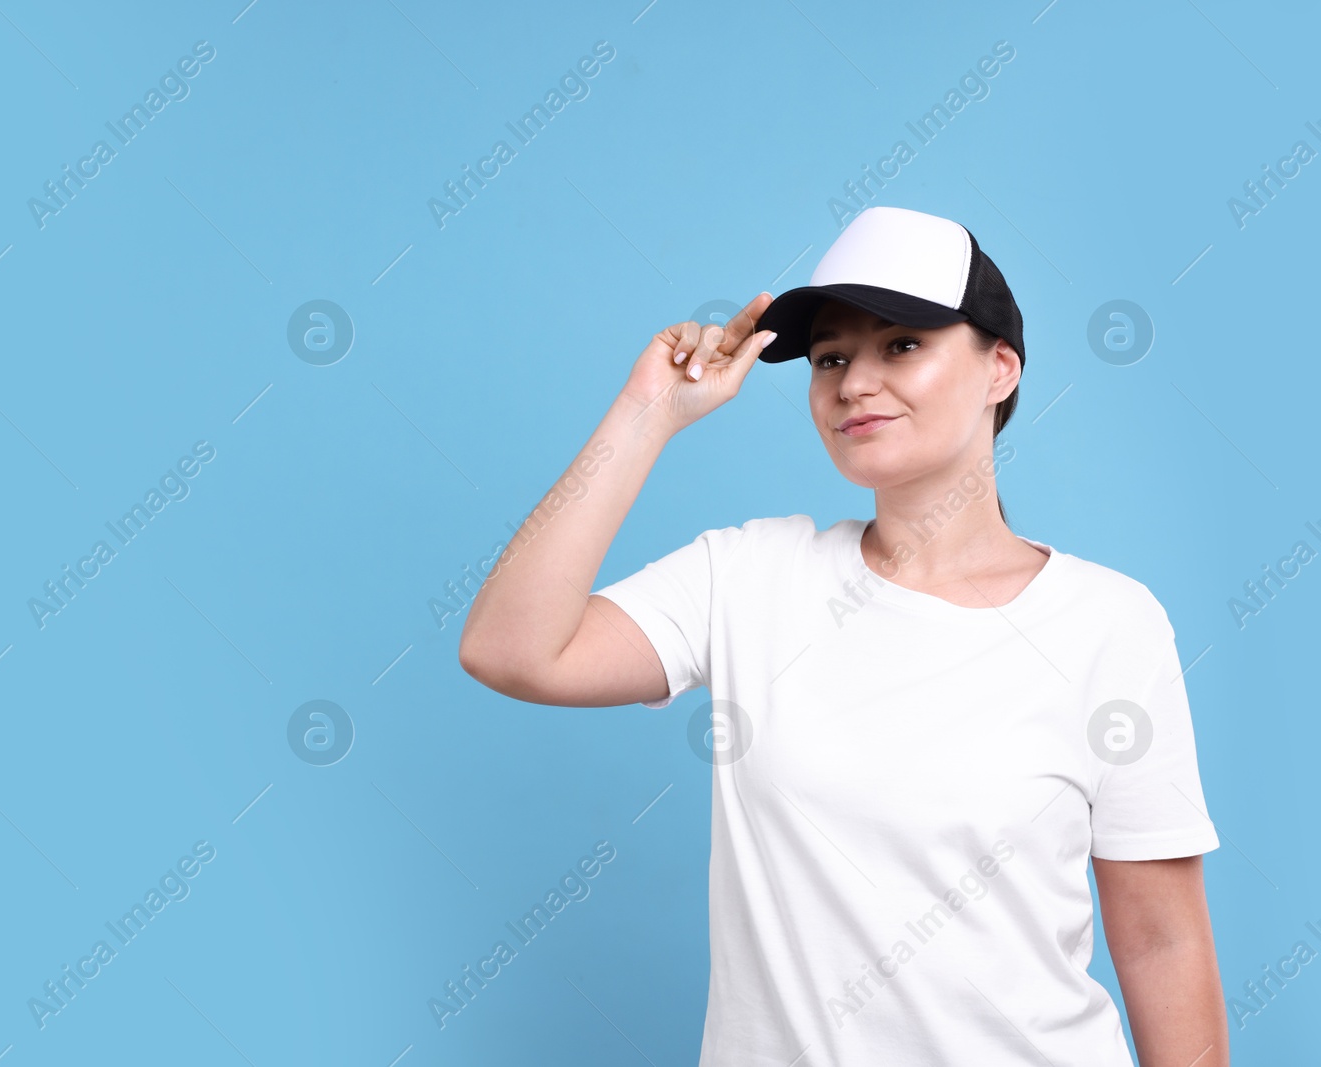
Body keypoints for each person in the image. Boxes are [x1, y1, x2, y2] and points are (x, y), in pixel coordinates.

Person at [457, 205, 1227, 1066]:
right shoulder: (749, 577)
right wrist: (648, 412)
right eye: (831, 358)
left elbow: (1164, 943)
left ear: (1000, 368)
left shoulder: (1108, 623)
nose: (854, 383)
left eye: (901, 344)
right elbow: (511, 648)